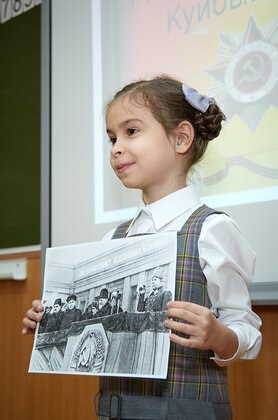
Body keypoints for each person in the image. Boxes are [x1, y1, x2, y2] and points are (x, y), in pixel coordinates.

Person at [22, 75, 262, 419]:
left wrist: (218, 335)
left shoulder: (211, 229)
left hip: (187, 410)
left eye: (131, 132)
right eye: (112, 138)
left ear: (180, 138)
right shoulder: (112, 240)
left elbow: (246, 329)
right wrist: (52, 322)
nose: (116, 147)